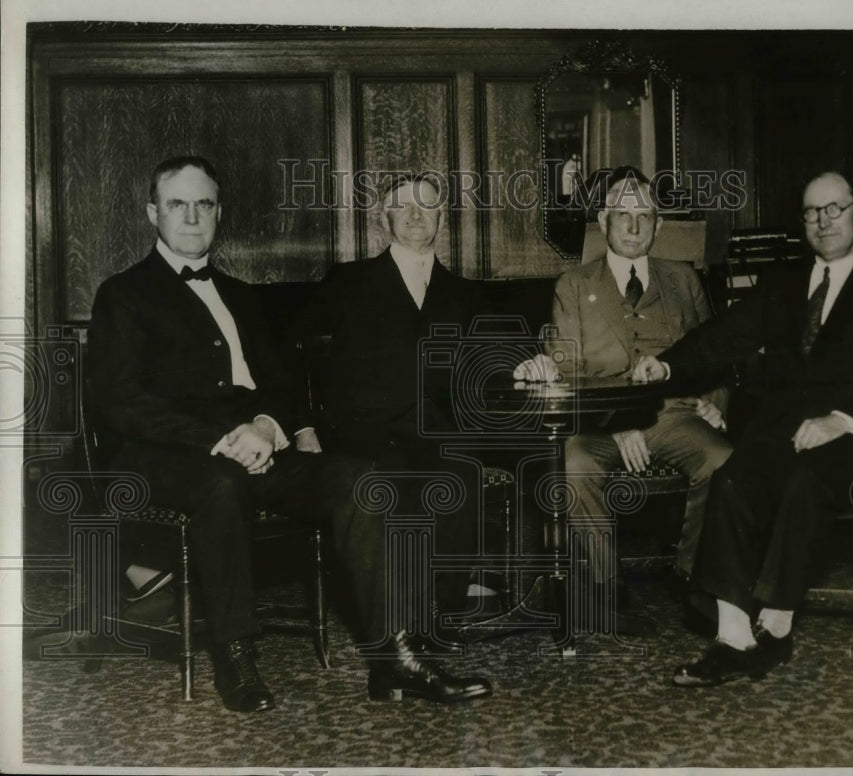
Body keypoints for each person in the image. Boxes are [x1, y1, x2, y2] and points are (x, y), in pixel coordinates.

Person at [88, 157, 491, 711]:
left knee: (360, 479)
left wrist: (268, 424)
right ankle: (235, 656)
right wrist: (224, 436)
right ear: (153, 212)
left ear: (219, 213)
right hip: (164, 459)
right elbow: (120, 402)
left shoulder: (241, 295)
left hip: (256, 451)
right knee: (218, 487)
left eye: (204, 204)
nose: (191, 217)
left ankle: (392, 655)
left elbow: (281, 384)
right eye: (177, 204)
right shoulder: (123, 294)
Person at [632, 170, 853, 685]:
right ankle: (733, 637)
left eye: (834, 209)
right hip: (787, 431)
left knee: (807, 482)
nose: (822, 222)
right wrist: (667, 365)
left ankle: (777, 628)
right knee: (734, 476)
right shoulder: (784, 281)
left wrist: (840, 420)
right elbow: (724, 335)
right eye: (811, 212)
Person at [515, 166, 733, 634]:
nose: (634, 226)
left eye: (645, 215)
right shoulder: (573, 285)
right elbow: (568, 371)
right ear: (604, 220)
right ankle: (604, 590)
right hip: (601, 423)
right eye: (623, 214)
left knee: (722, 460)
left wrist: (715, 402)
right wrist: (619, 422)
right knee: (573, 465)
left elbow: (714, 355)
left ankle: (696, 580)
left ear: (658, 225)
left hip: (675, 416)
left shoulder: (684, 281)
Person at [294, 173, 491, 649]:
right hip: (365, 433)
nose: (416, 215)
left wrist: (529, 360)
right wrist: (304, 426)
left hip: (438, 432)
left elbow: (489, 363)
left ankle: (438, 621)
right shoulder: (348, 281)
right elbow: (300, 358)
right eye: (402, 207)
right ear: (384, 220)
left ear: (442, 218)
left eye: (426, 206)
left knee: (461, 474)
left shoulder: (464, 293)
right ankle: (396, 626)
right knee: (393, 481)